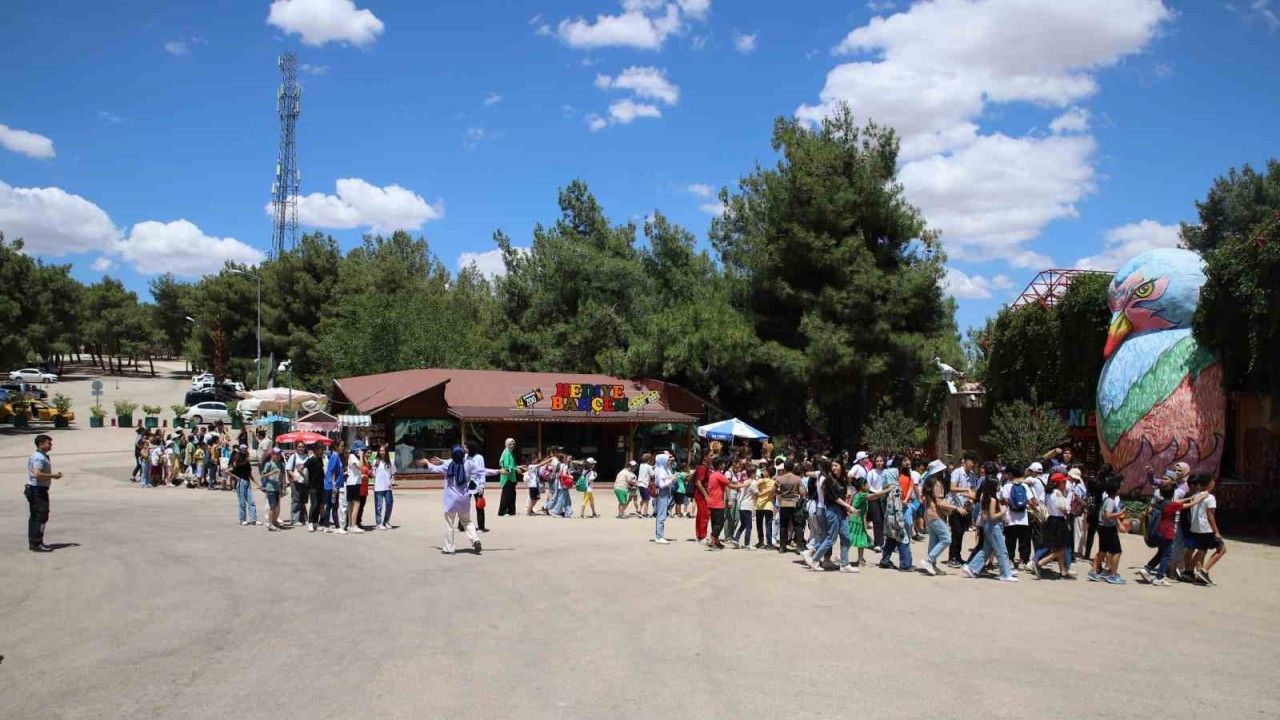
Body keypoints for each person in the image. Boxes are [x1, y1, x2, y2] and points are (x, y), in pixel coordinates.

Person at [1138, 481, 1209, 586]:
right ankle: (1160, 577)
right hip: (1167, 533)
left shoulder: (1161, 503)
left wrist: (1190, 497)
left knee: (1161, 552)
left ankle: (1147, 569)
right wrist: (1201, 498)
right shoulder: (1172, 505)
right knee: (1167, 555)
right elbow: (1189, 505)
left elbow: (1178, 501)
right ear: (1172, 493)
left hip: (1158, 532)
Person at [419, 446, 482, 554]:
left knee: (449, 524)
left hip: (451, 500)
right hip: (464, 499)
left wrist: (427, 462)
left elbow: (434, 469)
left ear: (452, 454)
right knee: (467, 521)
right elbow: (484, 471)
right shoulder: (468, 464)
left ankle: (449, 548)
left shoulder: (448, 465)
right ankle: (475, 539)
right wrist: (501, 471)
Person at [963, 477, 1016, 582]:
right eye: (997, 485)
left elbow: (985, 516)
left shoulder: (986, 498)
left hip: (989, 526)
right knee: (1001, 550)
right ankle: (1005, 574)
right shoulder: (992, 499)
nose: (999, 487)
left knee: (986, 549)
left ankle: (971, 567)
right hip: (994, 526)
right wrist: (1003, 512)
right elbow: (992, 516)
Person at [808, 459, 856, 573]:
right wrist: (849, 507)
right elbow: (835, 498)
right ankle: (814, 559)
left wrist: (846, 508)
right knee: (831, 538)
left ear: (841, 467)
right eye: (832, 466)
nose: (833, 468)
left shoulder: (843, 479)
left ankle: (844, 564)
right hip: (832, 511)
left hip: (842, 511)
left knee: (846, 537)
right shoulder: (828, 480)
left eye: (836, 465)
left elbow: (844, 495)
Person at [921, 460, 965, 576]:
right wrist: (955, 507)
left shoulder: (930, 482)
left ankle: (932, 565)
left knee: (934, 541)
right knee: (946, 539)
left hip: (929, 515)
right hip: (935, 515)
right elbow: (940, 503)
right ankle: (929, 560)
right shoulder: (937, 484)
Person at [1184, 475, 1225, 586]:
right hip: (1206, 529)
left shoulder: (1195, 496)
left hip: (1196, 528)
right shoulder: (1210, 497)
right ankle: (1203, 571)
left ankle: (1190, 572)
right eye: (1212, 482)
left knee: (1202, 550)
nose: (1213, 484)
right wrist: (1216, 531)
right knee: (1222, 549)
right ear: (1208, 484)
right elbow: (1210, 515)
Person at [1030, 473, 1072, 579]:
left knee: (1056, 546)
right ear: (1058, 483)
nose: (1065, 484)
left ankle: (1063, 571)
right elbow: (1064, 508)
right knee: (1062, 548)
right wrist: (1068, 507)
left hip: (1050, 520)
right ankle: (1039, 563)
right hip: (1059, 522)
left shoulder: (1048, 492)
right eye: (1063, 482)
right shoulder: (1058, 493)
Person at [25, 434, 61, 552]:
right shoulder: (38, 458)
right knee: (41, 517)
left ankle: (34, 542)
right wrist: (53, 476)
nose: (51, 445)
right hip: (38, 490)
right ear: (40, 444)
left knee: (35, 516)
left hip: (36, 489)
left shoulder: (40, 456)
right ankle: (37, 543)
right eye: (48, 443)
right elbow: (37, 474)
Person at [1089, 476, 1127, 584]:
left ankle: (1094, 571)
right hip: (1108, 528)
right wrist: (1120, 513)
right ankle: (1113, 575)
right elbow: (1108, 515)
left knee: (1103, 550)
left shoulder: (1107, 499)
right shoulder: (1110, 501)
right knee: (1117, 551)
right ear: (1116, 490)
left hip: (1103, 527)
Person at [1000, 464, 1034, 570]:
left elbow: (1004, 500)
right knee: (1024, 541)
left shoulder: (1007, 486)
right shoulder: (1025, 486)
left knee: (1010, 541)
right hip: (1023, 518)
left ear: (1011, 474)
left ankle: (1010, 560)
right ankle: (1024, 561)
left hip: (1010, 518)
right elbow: (1031, 501)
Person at [947, 452, 977, 567]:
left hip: (966, 507)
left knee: (961, 533)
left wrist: (971, 499)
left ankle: (957, 556)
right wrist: (966, 490)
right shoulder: (957, 472)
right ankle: (952, 557)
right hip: (955, 506)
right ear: (965, 461)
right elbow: (952, 488)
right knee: (956, 532)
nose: (972, 464)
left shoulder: (972, 475)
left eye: (974, 462)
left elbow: (973, 490)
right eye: (971, 462)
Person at [465, 441, 502, 531]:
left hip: (477, 484)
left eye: (466, 447)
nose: (465, 449)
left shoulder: (479, 458)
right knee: (464, 505)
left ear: (471, 448)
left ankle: (481, 527)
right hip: (466, 484)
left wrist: (482, 486)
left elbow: (482, 471)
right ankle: (462, 525)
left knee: (479, 506)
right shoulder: (465, 457)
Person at [774, 460, 802, 552]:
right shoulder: (798, 479)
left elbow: (775, 490)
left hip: (784, 503)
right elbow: (802, 492)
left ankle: (782, 547)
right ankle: (799, 547)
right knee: (797, 525)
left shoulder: (779, 478)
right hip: (794, 503)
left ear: (784, 468)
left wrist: (780, 495)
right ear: (793, 468)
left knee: (783, 525)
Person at [229, 446, 259, 526]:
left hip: (247, 482)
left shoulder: (248, 464)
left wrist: (257, 484)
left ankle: (254, 519)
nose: (248, 458)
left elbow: (250, 475)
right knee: (242, 503)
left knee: (251, 502)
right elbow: (227, 471)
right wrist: (236, 477)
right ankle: (242, 519)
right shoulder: (238, 465)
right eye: (247, 457)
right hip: (241, 483)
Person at [706, 458, 730, 549]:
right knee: (720, 523)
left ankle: (716, 542)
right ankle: (712, 537)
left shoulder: (712, 475)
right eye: (722, 464)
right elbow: (729, 484)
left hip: (711, 502)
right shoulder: (720, 475)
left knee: (714, 523)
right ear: (719, 465)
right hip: (717, 503)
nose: (724, 465)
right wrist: (743, 485)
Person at [652, 452, 676, 542]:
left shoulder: (662, 468)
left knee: (661, 513)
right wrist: (672, 479)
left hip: (664, 491)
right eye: (667, 460)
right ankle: (660, 536)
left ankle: (658, 535)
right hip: (662, 492)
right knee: (662, 514)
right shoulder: (661, 470)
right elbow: (662, 484)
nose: (669, 461)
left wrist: (672, 478)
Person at [302, 444, 327, 532]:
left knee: (319, 504)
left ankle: (316, 522)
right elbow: (300, 468)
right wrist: (305, 479)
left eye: (322, 449)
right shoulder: (310, 460)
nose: (322, 451)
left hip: (321, 485)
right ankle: (310, 522)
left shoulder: (320, 459)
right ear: (315, 450)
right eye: (320, 449)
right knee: (314, 504)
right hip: (313, 486)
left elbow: (321, 470)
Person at [866, 454, 888, 551]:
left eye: (881, 461)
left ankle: (885, 542)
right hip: (874, 496)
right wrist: (874, 494)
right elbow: (868, 485)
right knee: (877, 520)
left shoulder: (887, 472)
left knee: (885, 520)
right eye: (877, 461)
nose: (879, 463)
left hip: (884, 496)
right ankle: (878, 543)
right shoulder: (871, 472)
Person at [373, 444, 396, 530]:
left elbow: (393, 473)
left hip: (387, 486)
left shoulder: (391, 461)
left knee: (389, 504)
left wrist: (391, 482)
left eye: (383, 450)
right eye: (380, 451)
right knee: (378, 506)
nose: (382, 452)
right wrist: (375, 466)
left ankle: (386, 521)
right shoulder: (375, 461)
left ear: (386, 452)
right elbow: (373, 474)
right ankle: (378, 523)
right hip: (378, 486)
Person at [261, 448, 284, 531]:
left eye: (279, 454)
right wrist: (272, 472)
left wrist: (282, 487)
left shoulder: (280, 464)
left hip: (277, 488)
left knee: (276, 506)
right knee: (272, 506)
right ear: (272, 454)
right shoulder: (268, 464)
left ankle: (274, 521)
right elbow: (263, 476)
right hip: (270, 488)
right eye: (277, 454)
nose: (279, 456)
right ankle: (270, 524)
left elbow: (281, 476)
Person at [754, 463, 776, 549]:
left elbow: (755, 485)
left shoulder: (761, 480)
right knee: (768, 525)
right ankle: (769, 543)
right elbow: (774, 494)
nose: (763, 472)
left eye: (765, 471)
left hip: (759, 505)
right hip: (769, 505)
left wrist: (760, 491)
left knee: (759, 524)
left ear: (768, 472)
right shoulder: (774, 482)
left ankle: (761, 542)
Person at [286, 443, 308, 527]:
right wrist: (294, 476)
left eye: (302, 447)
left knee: (303, 501)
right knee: (296, 500)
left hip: (304, 482)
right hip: (296, 482)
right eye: (299, 447)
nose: (301, 448)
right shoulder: (293, 456)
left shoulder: (307, 457)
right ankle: (294, 520)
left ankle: (303, 519)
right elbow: (288, 469)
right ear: (296, 448)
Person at [497, 438, 519, 517]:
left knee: (512, 495)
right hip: (507, 478)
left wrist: (519, 467)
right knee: (506, 495)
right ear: (506, 444)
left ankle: (511, 511)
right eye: (510, 444)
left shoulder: (510, 453)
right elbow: (506, 466)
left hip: (511, 477)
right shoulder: (506, 453)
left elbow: (512, 465)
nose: (512, 445)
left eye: (513, 444)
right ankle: (502, 512)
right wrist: (515, 469)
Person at [692, 456, 711, 541]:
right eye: (711, 456)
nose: (713, 457)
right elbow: (698, 482)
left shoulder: (706, 468)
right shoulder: (702, 468)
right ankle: (702, 535)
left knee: (702, 515)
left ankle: (700, 534)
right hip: (701, 495)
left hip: (702, 494)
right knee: (704, 515)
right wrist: (706, 495)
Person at [636, 453, 654, 518]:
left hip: (640, 484)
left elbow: (648, 468)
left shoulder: (641, 465)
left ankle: (639, 510)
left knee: (643, 498)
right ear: (649, 460)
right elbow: (653, 475)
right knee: (647, 499)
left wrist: (652, 467)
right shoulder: (649, 467)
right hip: (645, 484)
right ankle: (645, 513)